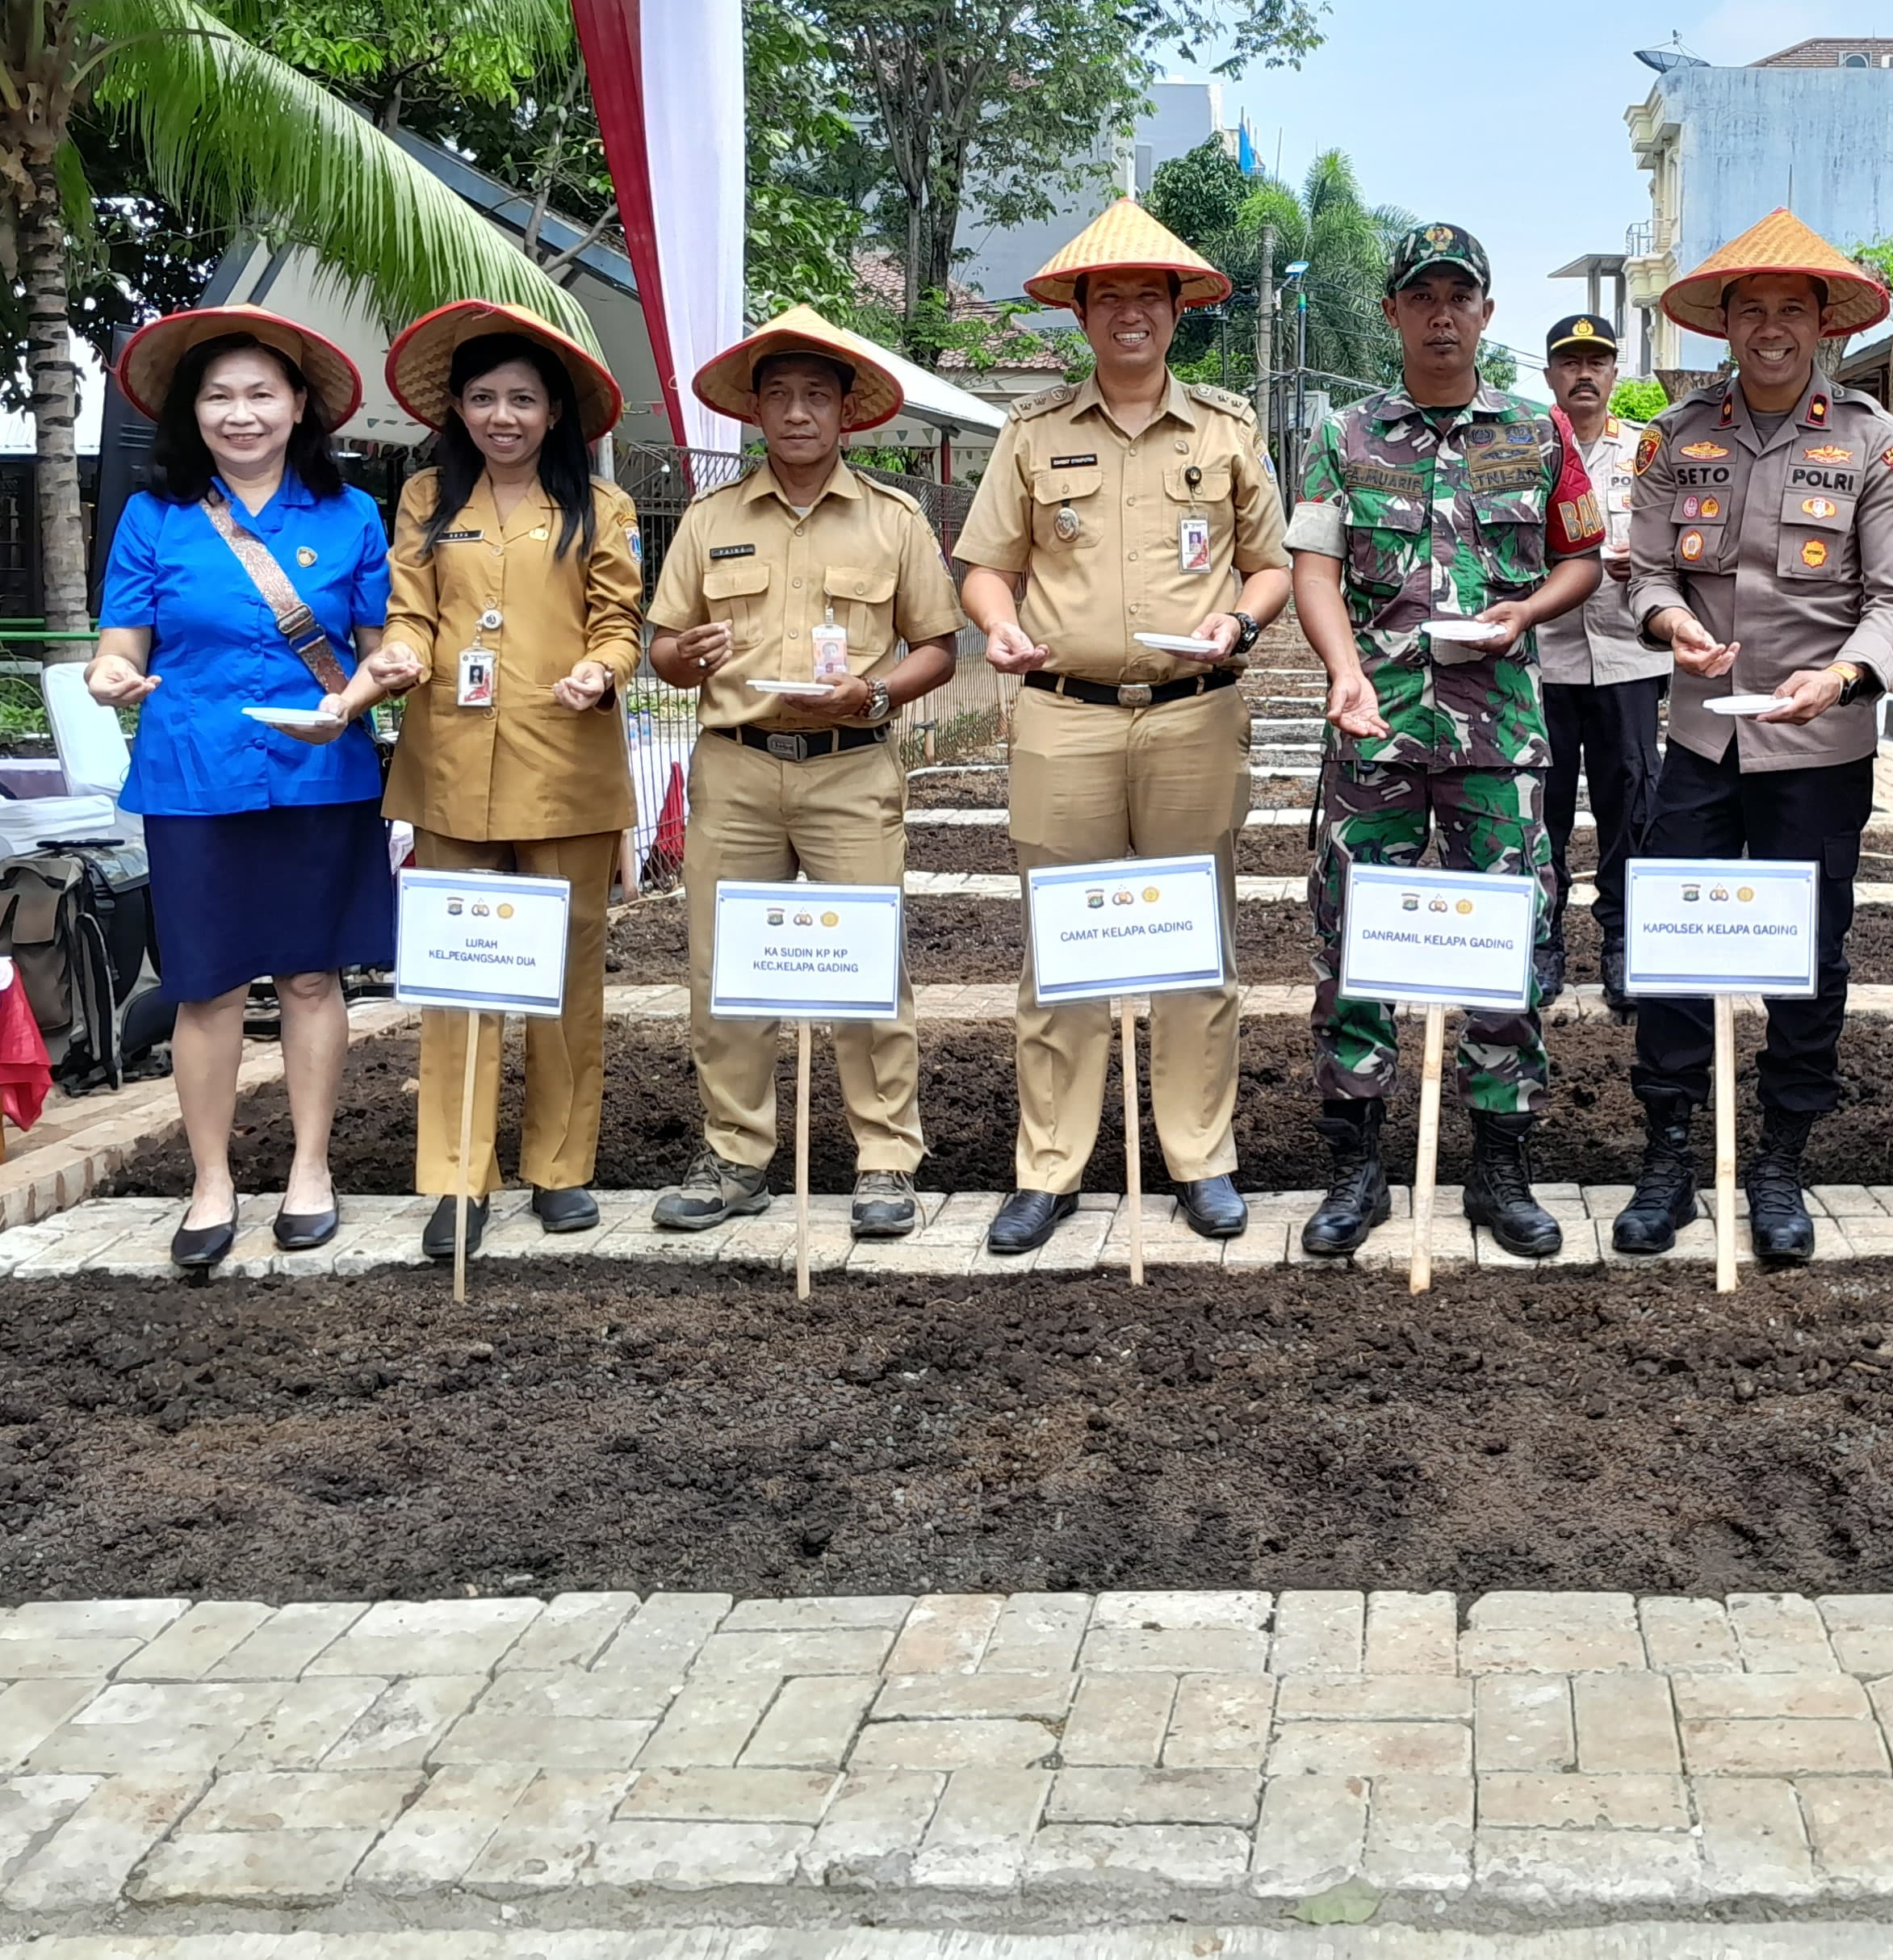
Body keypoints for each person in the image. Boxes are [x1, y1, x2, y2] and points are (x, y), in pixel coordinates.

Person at [955, 200, 1292, 1254]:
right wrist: (1000, 631)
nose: (1133, 313)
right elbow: (986, 571)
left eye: (1152, 295)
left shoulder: (1228, 432)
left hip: (1195, 716)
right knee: (1063, 948)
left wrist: (1241, 618)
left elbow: (1272, 564)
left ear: (1177, 312)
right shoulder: (1032, 434)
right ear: (1085, 314)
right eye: (1113, 297)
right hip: (1065, 720)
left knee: (1198, 948)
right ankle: (1048, 1167)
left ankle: (1202, 1159)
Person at [1287, 222, 1606, 1260]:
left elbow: (1583, 558)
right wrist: (1342, 673)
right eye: (1420, 296)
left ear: (1486, 313)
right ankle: (1356, 1164)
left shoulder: (1536, 429)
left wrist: (1526, 615)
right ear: (1391, 313)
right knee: (1354, 943)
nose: (1439, 314)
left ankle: (1501, 1168)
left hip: (1502, 731)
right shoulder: (1344, 435)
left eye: (1457, 296)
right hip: (1374, 725)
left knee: (1509, 945)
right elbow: (1316, 569)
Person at [1623, 210, 1893, 1265]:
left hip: (1819, 748)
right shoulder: (1676, 438)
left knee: (1809, 956)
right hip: (1702, 738)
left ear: (1822, 324)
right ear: (1724, 325)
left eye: (1787, 310)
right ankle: (1670, 1154)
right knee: (1672, 946)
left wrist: (1842, 677)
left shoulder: (1873, 442)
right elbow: (1649, 574)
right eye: (1747, 310)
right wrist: (1671, 625)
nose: (1766, 329)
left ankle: (1782, 1160)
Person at [644, 308, 965, 1240]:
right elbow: (661, 645)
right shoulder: (709, 522)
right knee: (724, 969)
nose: (795, 413)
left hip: (850, 768)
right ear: (755, 412)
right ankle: (737, 1156)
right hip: (737, 768)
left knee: (868, 965)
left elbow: (938, 648)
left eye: (814, 397)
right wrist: (680, 658)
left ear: (845, 415)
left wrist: (872, 694)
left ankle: (885, 1160)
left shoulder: (894, 520)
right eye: (778, 396)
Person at [86, 308, 396, 1268]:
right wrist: (108, 676)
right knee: (206, 986)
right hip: (192, 776)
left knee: (311, 974)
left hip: (320, 768)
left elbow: (383, 645)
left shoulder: (351, 514)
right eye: (219, 396)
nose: (241, 413)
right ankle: (211, 1179)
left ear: (301, 406)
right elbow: (120, 642)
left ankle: (311, 1168)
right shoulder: (155, 516)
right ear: (194, 412)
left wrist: (375, 682)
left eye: (263, 393)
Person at [352, 300, 642, 1261]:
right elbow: (413, 612)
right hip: (452, 767)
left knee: (566, 975)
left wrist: (602, 670)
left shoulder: (604, 509)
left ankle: (561, 1168)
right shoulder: (430, 498)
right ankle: (458, 1178)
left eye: (522, 398)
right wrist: (397, 655)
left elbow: (618, 622)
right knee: (457, 974)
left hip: (566, 762)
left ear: (556, 411)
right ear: (460, 411)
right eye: (483, 398)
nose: (503, 416)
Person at [1532, 308, 1669, 1019]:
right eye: (1570, 362)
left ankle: (1622, 941)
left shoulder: (1650, 451)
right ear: (1550, 372)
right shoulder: (1525, 449)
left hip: (1628, 657)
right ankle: (1544, 939)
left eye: (1598, 362)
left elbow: (1680, 539)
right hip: (1547, 658)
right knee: (1543, 811)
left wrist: (1638, 564)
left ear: (1616, 373)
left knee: (1632, 805)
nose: (1584, 374)